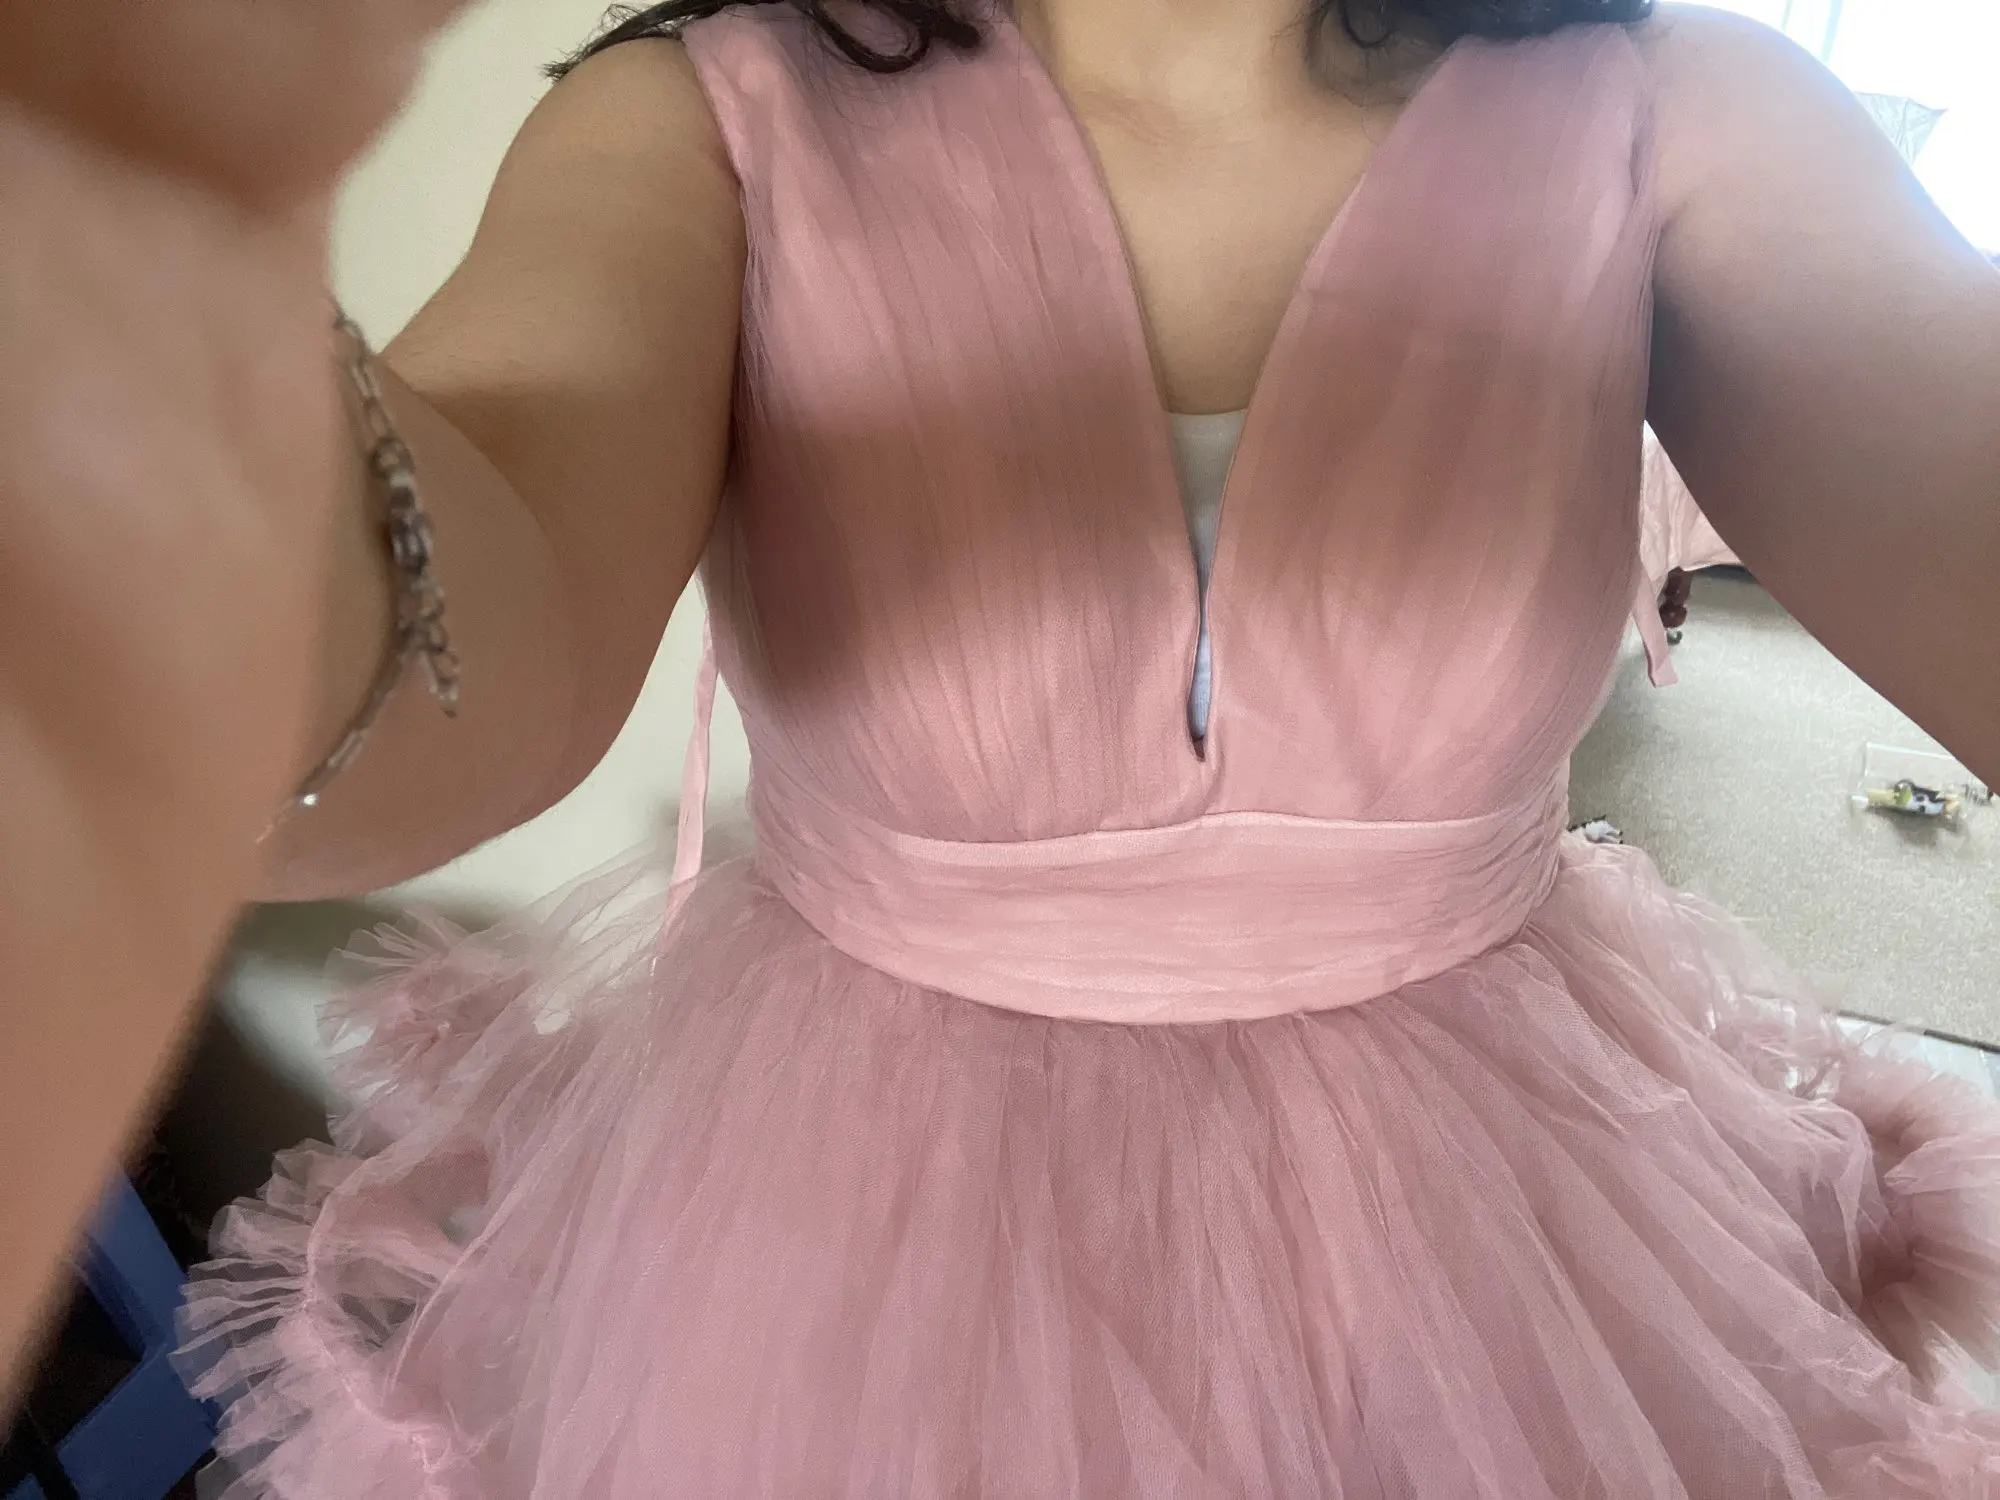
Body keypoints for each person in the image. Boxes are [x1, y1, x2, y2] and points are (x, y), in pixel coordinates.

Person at [3, 0, 1999, 1490]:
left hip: (1525, 1203)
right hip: (848, 1207)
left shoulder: (1677, 108)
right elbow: (480, 631)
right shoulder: (703, 124)